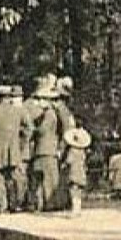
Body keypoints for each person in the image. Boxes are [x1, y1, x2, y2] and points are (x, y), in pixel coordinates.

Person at [24, 76, 63, 213]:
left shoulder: (49, 114)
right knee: (45, 178)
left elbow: (42, 131)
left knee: (48, 179)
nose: (39, 102)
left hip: (46, 149)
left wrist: (33, 130)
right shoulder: (48, 114)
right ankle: (45, 203)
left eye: (41, 100)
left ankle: (51, 204)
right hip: (46, 149)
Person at [0, 85, 27, 214]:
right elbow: (28, 128)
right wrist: (21, 142)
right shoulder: (18, 111)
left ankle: (1, 205)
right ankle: (14, 203)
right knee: (12, 177)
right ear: (9, 97)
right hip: (13, 148)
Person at [57, 78, 89, 215]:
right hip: (80, 174)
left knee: (73, 188)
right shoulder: (69, 111)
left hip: (73, 174)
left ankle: (74, 208)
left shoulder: (63, 111)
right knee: (78, 189)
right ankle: (77, 208)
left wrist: (62, 156)